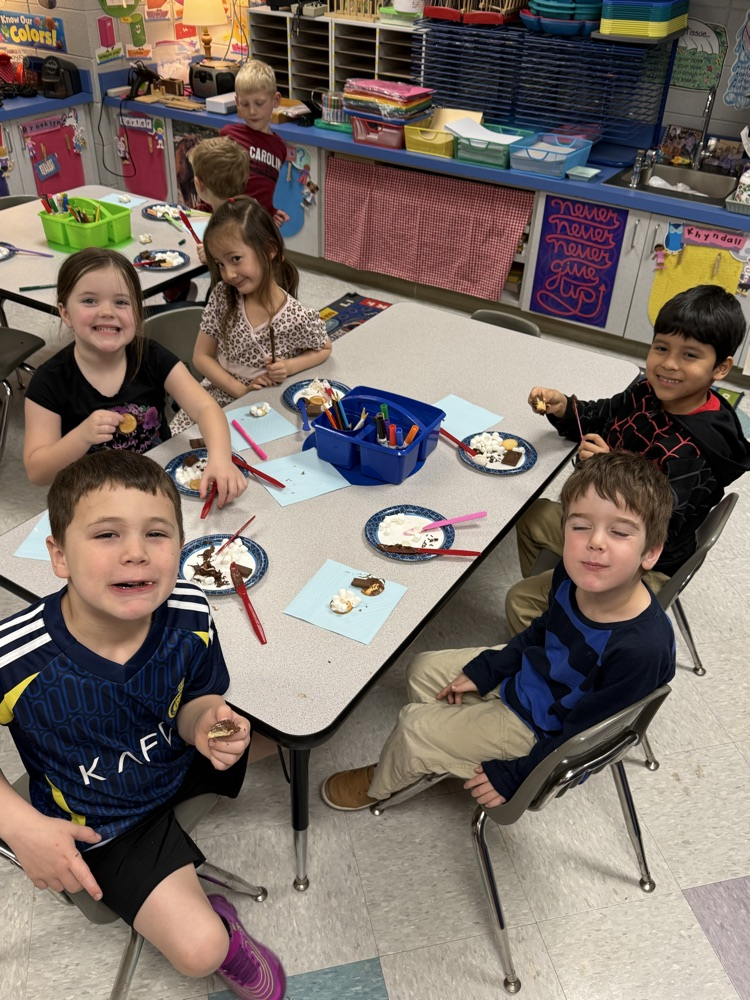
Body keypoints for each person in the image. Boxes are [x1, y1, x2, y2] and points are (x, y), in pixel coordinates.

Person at [0, 450, 285, 1000]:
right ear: (58, 556)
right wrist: (19, 825)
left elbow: (197, 697)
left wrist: (205, 722)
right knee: (200, 952)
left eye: (157, 534)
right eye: (106, 535)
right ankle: (219, 922)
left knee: (291, 736)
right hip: (103, 819)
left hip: (172, 765)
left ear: (180, 549)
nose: (136, 553)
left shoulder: (190, 611)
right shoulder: (16, 658)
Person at [320, 451, 676, 812]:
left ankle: (392, 773)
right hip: (531, 681)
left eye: (618, 532)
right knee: (422, 669)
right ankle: (435, 752)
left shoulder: (641, 649)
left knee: (414, 729)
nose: (594, 542)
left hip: (543, 731)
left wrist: (520, 775)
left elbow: (587, 738)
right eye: (580, 526)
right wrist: (490, 668)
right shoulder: (572, 576)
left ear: (651, 552)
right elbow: (540, 632)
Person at [505, 283, 750, 635]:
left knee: (519, 600)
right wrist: (566, 408)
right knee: (533, 518)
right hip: (607, 523)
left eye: (690, 355)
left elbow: (655, 527)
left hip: (643, 559)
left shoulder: (696, 452)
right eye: (661, 348)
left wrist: (605, 470)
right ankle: (562, 614)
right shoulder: (648, 391)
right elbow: (604, 415)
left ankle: (561, 644)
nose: (668, 364)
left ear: (721, 368)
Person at [23, 247, 247, 508]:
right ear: (64, 312)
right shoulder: (49, 381)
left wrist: (220, 459)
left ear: (137, 311)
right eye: (89, 301)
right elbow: (37, 471)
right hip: (91, 499)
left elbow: (206, 407)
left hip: (154, 486)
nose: (107, 312)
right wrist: (81, 436)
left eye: (121, 302)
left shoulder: (151, 356)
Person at [170, 196, 331, 433]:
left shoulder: (297, 316)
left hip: (267, 406)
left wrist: (288, 366)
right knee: (181, 448)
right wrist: (240, 391)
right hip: (217, 397)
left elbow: (324, 348)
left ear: (268, 251)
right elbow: (201, 357)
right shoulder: (223, 296)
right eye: (220, 264)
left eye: (235, 259)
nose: (229, 274)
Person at [219, 60, 289, 226]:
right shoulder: (229, 136)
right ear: (237, 103)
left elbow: (263, 190)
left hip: (256, 227)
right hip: (228, 223)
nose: (251, 111)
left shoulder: (280, 148)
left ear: (275, 100)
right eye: (245, 104)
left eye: (259, 103)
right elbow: (214, 183)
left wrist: (270, 212)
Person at [189, 135, 251, 265]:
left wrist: (215, 257)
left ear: (199, 184)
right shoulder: (248, 212)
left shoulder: (231, 225)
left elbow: (240, 272)